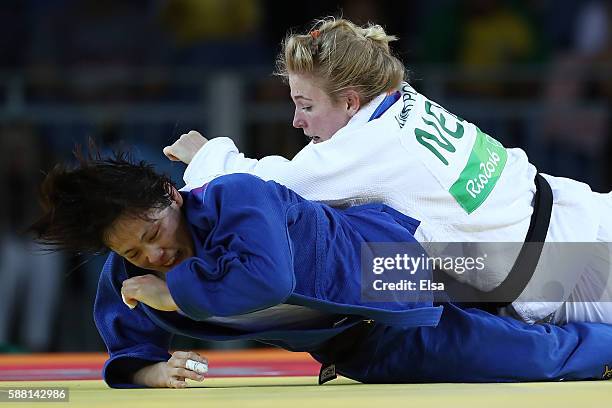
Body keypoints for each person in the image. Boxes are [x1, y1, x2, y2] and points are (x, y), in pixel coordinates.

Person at [32, 150, 612, 388]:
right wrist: (145, 372)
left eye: (155, 235)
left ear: (173, 193)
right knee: (534, 357)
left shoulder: (236, 195)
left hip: (392, 263)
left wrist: (175, 293)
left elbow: (267, 279)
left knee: (558, 278)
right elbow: (127, 338)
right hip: (362, 344)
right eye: (134, 254)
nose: (153, 257)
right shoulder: (134, 272)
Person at [163, 17, 612, 325]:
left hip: (575, 269)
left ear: (351, 102)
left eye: (306, 106)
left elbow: (265, 192)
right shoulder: (401, 99)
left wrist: (207, 154)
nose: (297, 122)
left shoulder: (367, 144)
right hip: (582, 214)